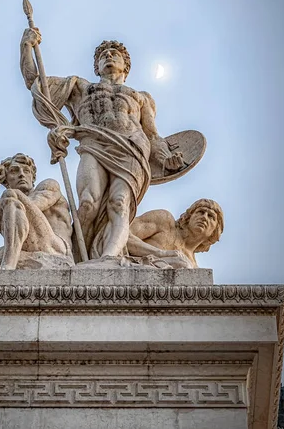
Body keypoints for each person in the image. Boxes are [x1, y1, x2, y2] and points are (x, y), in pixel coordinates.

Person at [21, 29, 184, 259]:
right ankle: (78, 258)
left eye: (114, 53)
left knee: (119, 204)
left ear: (125, 66)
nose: (108, 55)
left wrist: (167, 159)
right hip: (93, 145)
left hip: (132, 149)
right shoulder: (80, 88)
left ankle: (108, 258)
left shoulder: (141, 97)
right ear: (96, 66)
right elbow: (34, 83)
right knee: (87, 203)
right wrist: (26, 46)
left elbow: (153, 136)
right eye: (103, 55)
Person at [0, 153, 73, 270]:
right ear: (5, 180)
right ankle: (9, 262)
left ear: (32, 177)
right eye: (14, 171)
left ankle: (8, 267)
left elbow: (32, 204)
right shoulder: (4, 204)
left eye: (26, 171)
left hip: (55, 248)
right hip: (23, 248)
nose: (22, 175)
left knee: (12, 197)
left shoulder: (49, 186)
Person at [128, 199, 224, 268]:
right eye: (200, 212)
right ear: (188, 217)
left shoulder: (193, 268)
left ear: (214, 231)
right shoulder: (164, 221)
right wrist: (161, 254)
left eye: (211, 216)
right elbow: (122, 235)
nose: (204, 217)